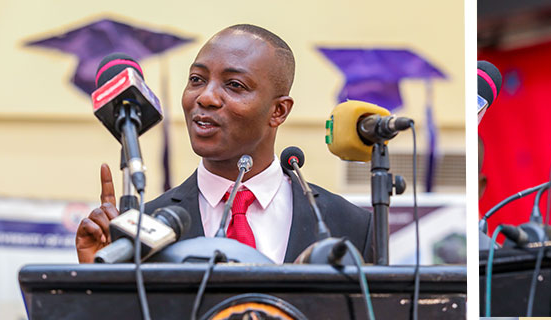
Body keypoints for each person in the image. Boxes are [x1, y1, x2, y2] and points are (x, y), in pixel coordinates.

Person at [75, 25, 373, 265]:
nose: (205, 97)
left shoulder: (351, 226)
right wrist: (99, 280)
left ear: (278, 111)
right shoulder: (144, 228)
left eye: (234, 85)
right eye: (196, 79)